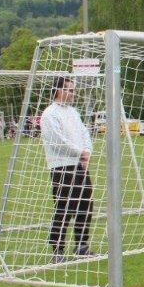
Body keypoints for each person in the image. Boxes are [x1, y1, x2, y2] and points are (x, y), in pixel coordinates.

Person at [41, 76, 94, 261]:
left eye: (73, 90)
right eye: (69, 90)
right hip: (61, 166)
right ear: (58, 91)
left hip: (79, 164)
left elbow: (85, 133)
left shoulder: (73, 112)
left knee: (85, 204)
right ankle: (57, 250)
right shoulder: (49, 114)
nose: (72, 93)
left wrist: (87, 152)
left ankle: (82, 245)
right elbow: (57, 141)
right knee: (64, 207)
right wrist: (80, 152)